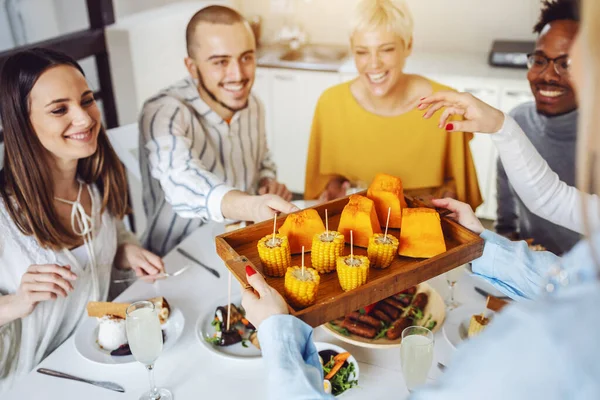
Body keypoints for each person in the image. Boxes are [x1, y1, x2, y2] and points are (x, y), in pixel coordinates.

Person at [241, 0, 600, 397]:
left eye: (571, 64)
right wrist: (501, 128)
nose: (553, 74)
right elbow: (553, 201)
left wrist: (278, 336)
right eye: (362, 50)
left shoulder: (546, 348)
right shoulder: (580, 286)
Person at [0, 48, 164, 393]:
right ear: (22, 124)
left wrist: (125, 251)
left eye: (87, 100)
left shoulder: (96, 183)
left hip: (102, 369)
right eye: (60, 109)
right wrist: (15, 303)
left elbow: (109, 239)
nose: (86, 118)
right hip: (33, 383)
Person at [139, 5, 295, 256]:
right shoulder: (164, 111)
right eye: (220, 62)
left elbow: (262, 159)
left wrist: (267, 181)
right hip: (174, 260)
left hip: (240, 247)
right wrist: (252, 207)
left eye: (246, 57)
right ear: (192, 67)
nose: (238, 75)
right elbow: (181, 180)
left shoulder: (253, 104)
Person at [303, 0, 482, 210]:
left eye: (386, 50)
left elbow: (461, 193)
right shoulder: (330, 104)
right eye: (362, 52)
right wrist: (332, 192)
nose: (374, 63)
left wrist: (443, 199)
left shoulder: (444, 105)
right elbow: (320, 188)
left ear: (408, 46)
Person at [495, 0, 581, 255]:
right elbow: (506, 211)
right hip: (531, 271)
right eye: (540, 60)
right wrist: (506, 243)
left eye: (567, 64)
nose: (547, 75)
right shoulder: (519, 120)